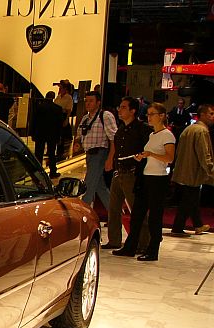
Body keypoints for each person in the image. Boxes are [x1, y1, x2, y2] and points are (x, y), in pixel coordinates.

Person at [113, 103, 175, 261]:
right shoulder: (152, 135)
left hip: (158, 179)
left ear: (161, 116)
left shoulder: (167, 135)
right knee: (137, 214)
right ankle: (130, 246)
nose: (149, 117)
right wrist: (142, 157)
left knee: (155, 216)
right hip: (146, 177)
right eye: (147, 114)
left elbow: (169, 158)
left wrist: (151, 154)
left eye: (152, 114)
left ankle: (153, 250)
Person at [102, 96, 152, 250]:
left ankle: (144, 243)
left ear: (133, 110)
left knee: (137, 209)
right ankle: (114, 240)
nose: (120, 110)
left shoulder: (142, 129)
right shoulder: (121, 129)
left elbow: (147, 151)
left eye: (124, 107)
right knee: (114, 208)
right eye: (120, 107)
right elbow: (117, 149)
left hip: (132, 173)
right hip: (119, 172)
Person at [168, 104, 214, 237]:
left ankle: (193, 225)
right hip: (193, 172)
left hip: (183, 170)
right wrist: (210, 171)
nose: (213, 117)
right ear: (203, 115)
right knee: (190, 198)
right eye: (211, 114)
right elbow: (204, 155)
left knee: (189, 199)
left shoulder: (188, 129)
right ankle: (186, 226)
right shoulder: (202, 131)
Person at [74, 91, 116, 211]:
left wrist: (110, 158)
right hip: (89, 154)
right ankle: (114, 213)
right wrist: (77, 143)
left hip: (100, 153)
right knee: (99, 186)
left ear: (98, 102)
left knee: (88, 185)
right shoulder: (85, 118)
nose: (88, 103)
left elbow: (113, 138)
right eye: (86, 101)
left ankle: (83, 213)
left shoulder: (105, 116)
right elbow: (79, 135)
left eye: (91, 101)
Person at [32, 91, 64, 178]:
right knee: (51, 153)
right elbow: (59, 125)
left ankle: (37, 172)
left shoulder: (39, 107)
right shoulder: (57, 109)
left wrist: (33, 134)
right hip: (52, 135)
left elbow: (34, 121)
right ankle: (52, 171)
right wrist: (59, 136)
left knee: (38, 153)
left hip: (40, 134)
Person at [54, 80, 74, 160]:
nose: (60, 89)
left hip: (63, 116)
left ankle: (61, 153)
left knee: (62, 136)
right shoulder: (58, 96)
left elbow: (69, 110)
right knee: (57, 135)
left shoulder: (68, 97)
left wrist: (66, 119)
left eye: (61, 88)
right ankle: (55, 151)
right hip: (56, 117)